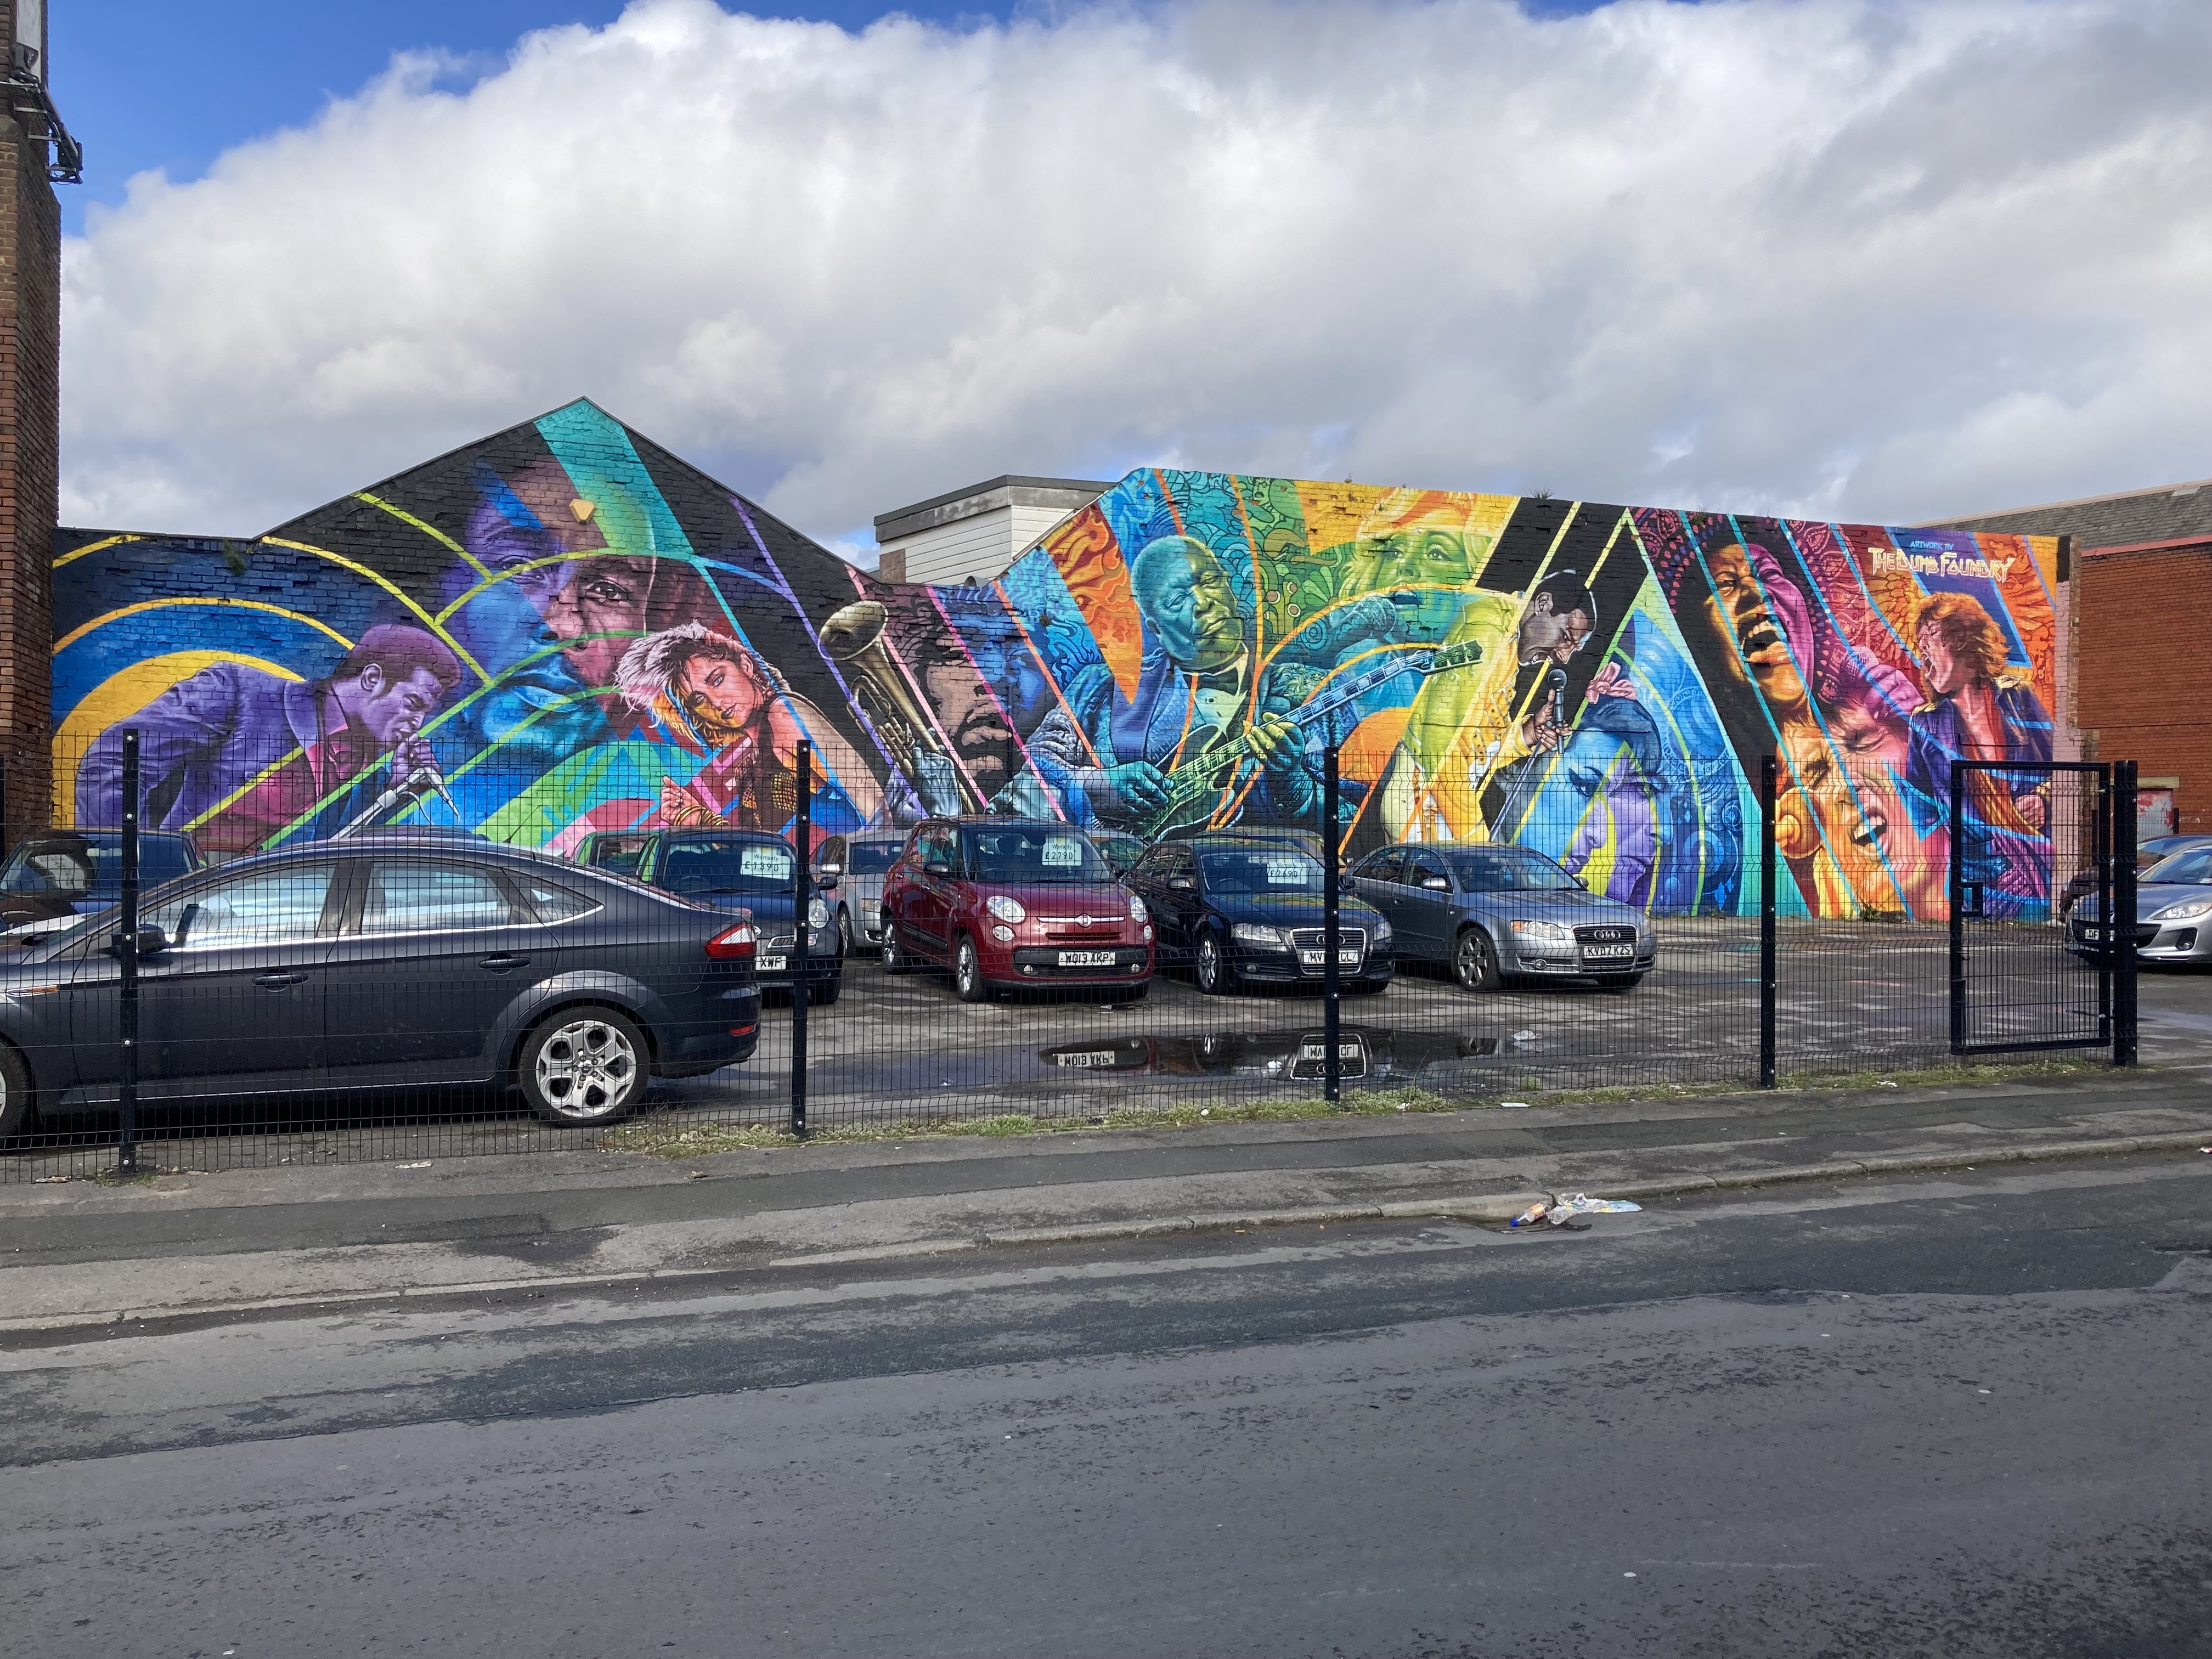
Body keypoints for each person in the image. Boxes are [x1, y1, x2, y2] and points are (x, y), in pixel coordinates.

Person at [76, 625, 464, 854]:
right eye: (413, 704)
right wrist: (136, 865)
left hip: (284, 913)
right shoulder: (238, 692)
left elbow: (338, 846)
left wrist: (397, 790)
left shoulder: (374, 763)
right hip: (189, 900)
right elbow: (112, 761)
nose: (417, 723)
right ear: (372, 679)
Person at [1022, 534, 1316, 834]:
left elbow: (1343, 812)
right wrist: (1096, 785)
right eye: (1177, 601)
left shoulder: (1307, 689)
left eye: (1210, 581)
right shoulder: (1100, 685)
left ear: (1229, 585)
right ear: (1156, 629)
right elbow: (1032, 770)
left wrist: (1293, 782)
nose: (1202, 603)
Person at [1372, 567, 1598, 843]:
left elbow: (1476, 752)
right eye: (1565, 637)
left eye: (1573, 648)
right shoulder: (1487, 634)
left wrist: (1527, 734)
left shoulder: (1507, 641)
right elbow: (1443, 753)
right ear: (1542, 604)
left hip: (1434, 809)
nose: (1563, 657)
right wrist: (1477, 840)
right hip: (1419, 808)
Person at [614, 622, 881, 842]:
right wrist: (699, 818)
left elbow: (868, 798)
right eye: (699, 699)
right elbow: (756, 849)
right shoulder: (756, 755)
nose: (716, 702)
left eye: (718, 680)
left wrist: (880, 852)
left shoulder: (782, 716)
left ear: (745, 665)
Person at [1903, 590, 2053, 916]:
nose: (1923, 655)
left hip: (2037, 860)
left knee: (2034, 941)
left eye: (1930, 640)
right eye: (1920, 646)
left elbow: (2066, 770)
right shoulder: (1925, 723)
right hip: (1975, 870)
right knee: (1974, 942)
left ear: (1962, 641)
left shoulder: (2017, 697)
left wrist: (2044, 798)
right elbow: (1918, 804)